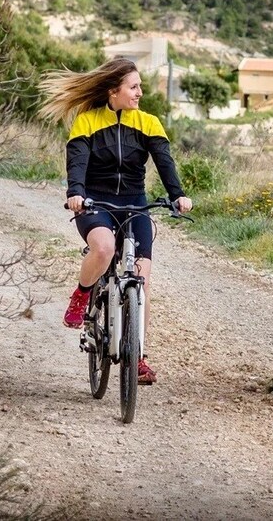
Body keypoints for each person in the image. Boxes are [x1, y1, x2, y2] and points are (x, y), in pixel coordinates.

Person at [39, 57, 192, 385]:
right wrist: (75, 192)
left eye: (140, 87)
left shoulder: (149, 123)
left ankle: (137, 357)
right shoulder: (87, 121)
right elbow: (77, 162)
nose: (140, 92)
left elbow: (165, 163)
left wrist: (178, 194)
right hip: (96, 201)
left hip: (135, 203)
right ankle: (82, 295)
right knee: (105, 248)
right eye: (134, 87)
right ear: (114, 91)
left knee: (142, 280)